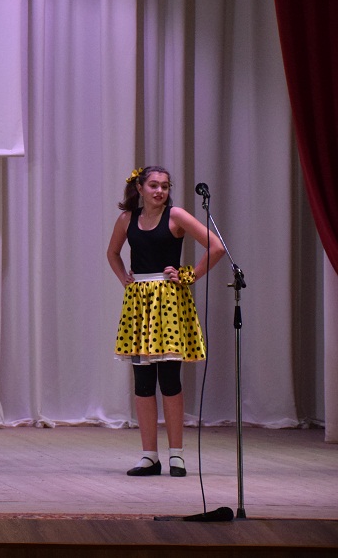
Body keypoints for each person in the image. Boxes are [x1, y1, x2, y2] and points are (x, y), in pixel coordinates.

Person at [106, 166, 224, 477]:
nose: (160, 191)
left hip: (169, 303)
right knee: (143, 383)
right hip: (139, 305)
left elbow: (216, 247)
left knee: (170, 380)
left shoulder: (176, 216)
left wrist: (189, 275)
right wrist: (124, 279)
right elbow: (113, 253)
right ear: (140, 188)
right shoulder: (127, 219)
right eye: (154, 185)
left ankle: (176, 455)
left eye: (165, 186)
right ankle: (149, 456)